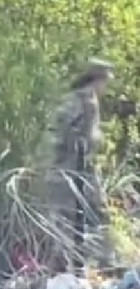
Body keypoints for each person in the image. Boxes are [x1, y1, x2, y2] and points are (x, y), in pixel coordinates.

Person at [41, 57, 115, 271]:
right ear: (97, 80)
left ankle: (68, 266)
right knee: (94, 215)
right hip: (74, 170)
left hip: (69, 170)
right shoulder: (85, 101)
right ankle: (100, 263)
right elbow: (69, 137)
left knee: (66, 221)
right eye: (105, 81)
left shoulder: (75, 99)